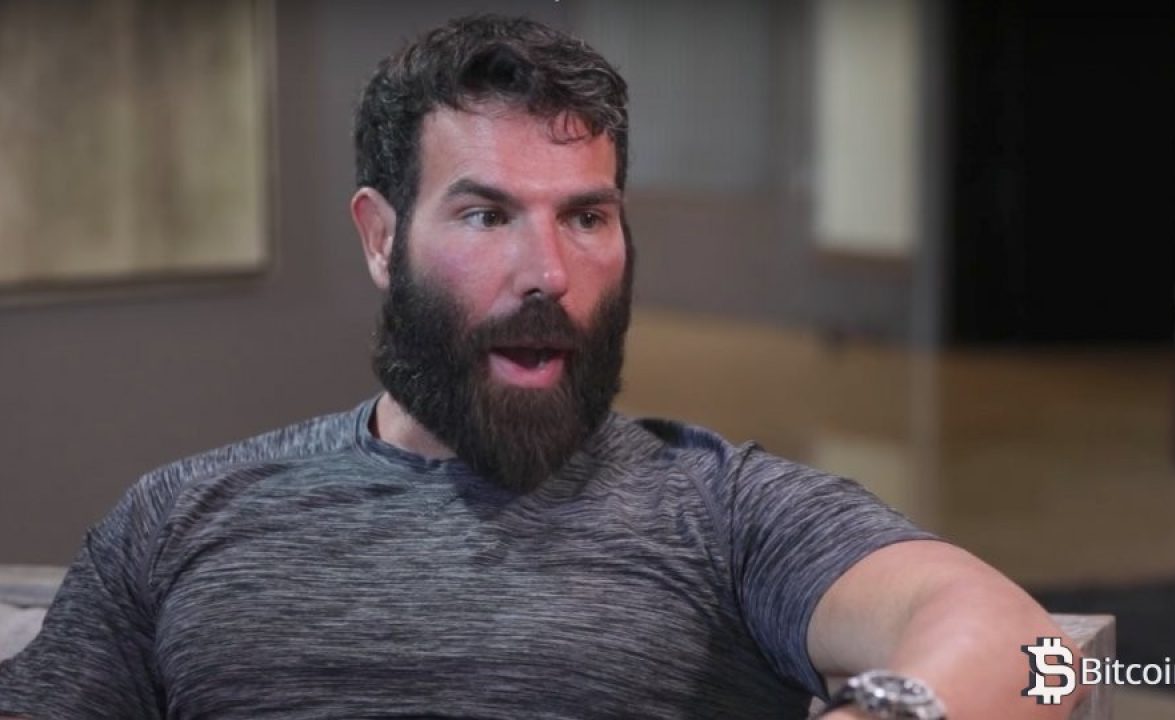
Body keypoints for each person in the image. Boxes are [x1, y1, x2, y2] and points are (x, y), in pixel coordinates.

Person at [0, 15, 1081, 720]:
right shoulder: (179, 518)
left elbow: (1042, 656)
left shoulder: (719, 510)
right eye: (486, 215)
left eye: (586, 217)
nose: (548, 274)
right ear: (380, 238)